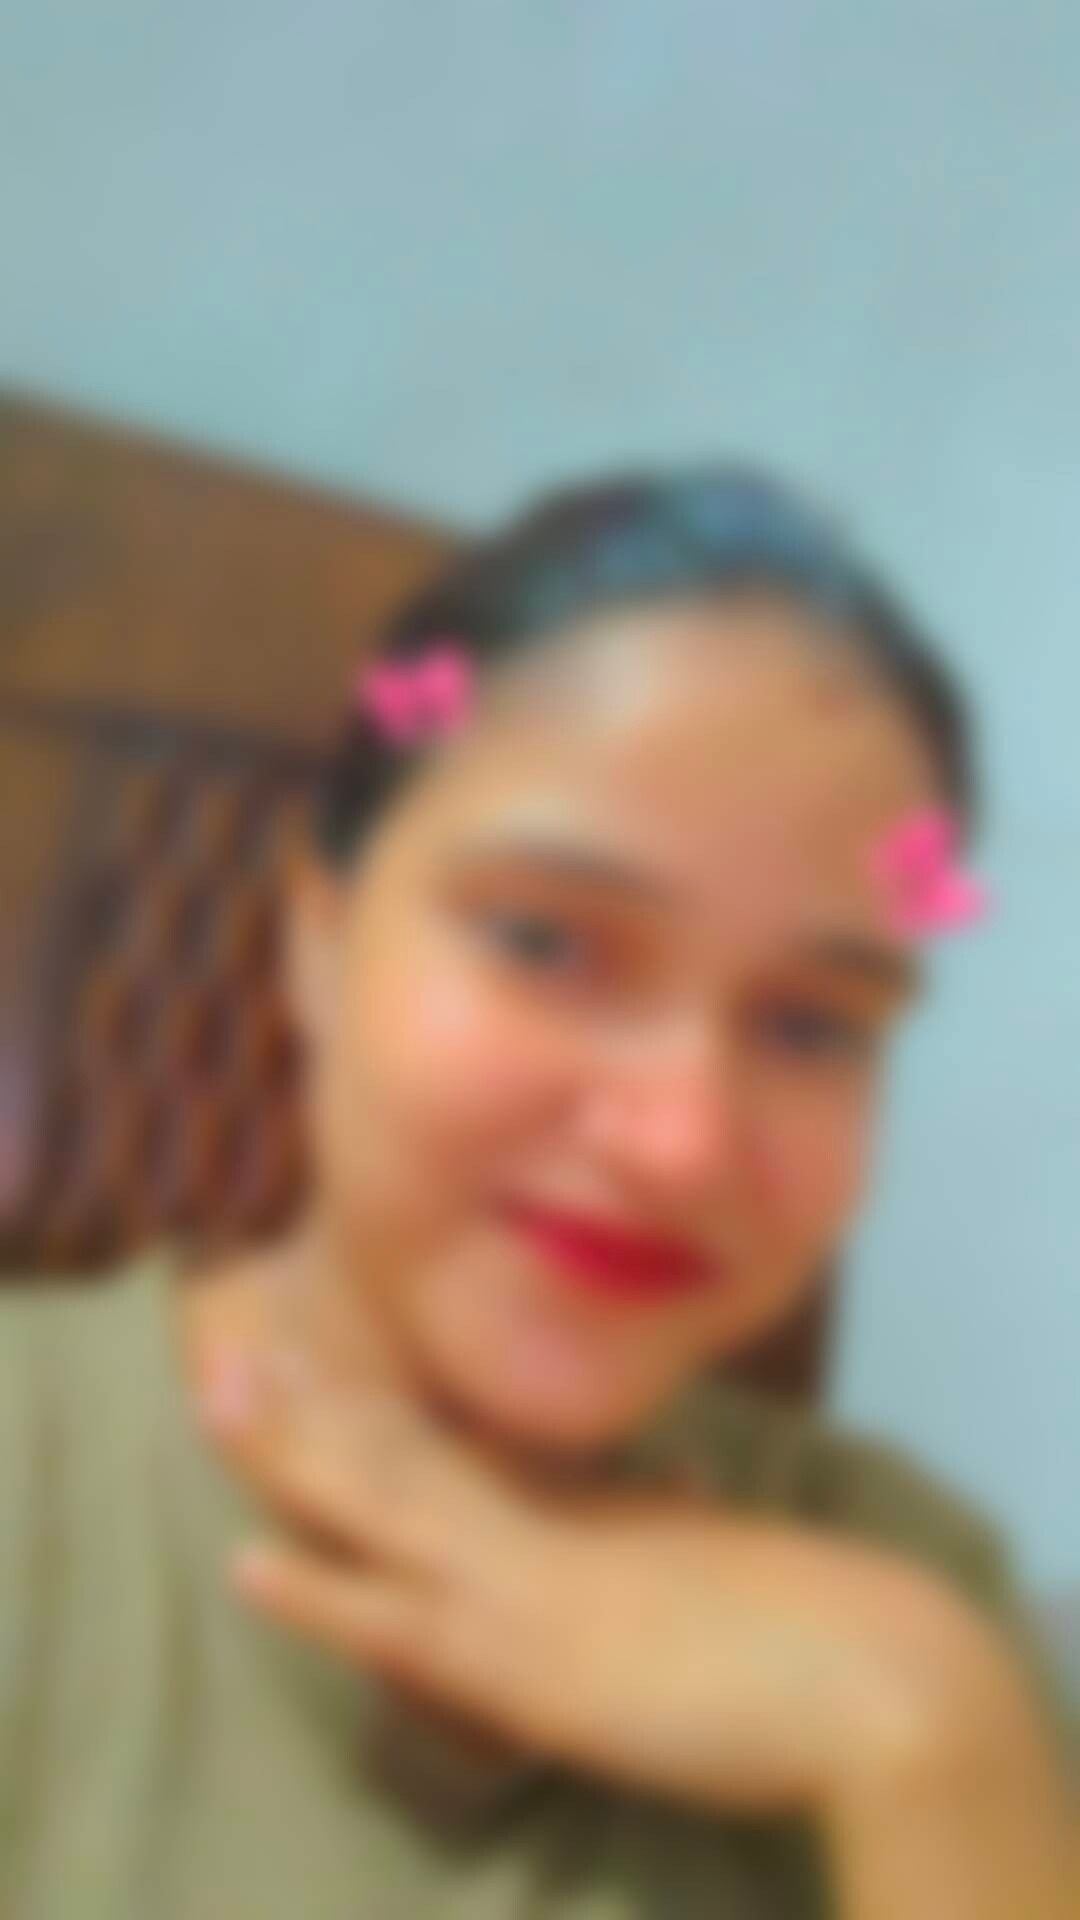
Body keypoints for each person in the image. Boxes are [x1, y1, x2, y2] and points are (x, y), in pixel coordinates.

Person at [1, 469, 1075, 1920]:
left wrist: (928, 1740)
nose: (681, 1143)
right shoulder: (36, 1490)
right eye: (546, 943)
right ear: (318, 939)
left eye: (813, 1024)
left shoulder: (914, 1589)